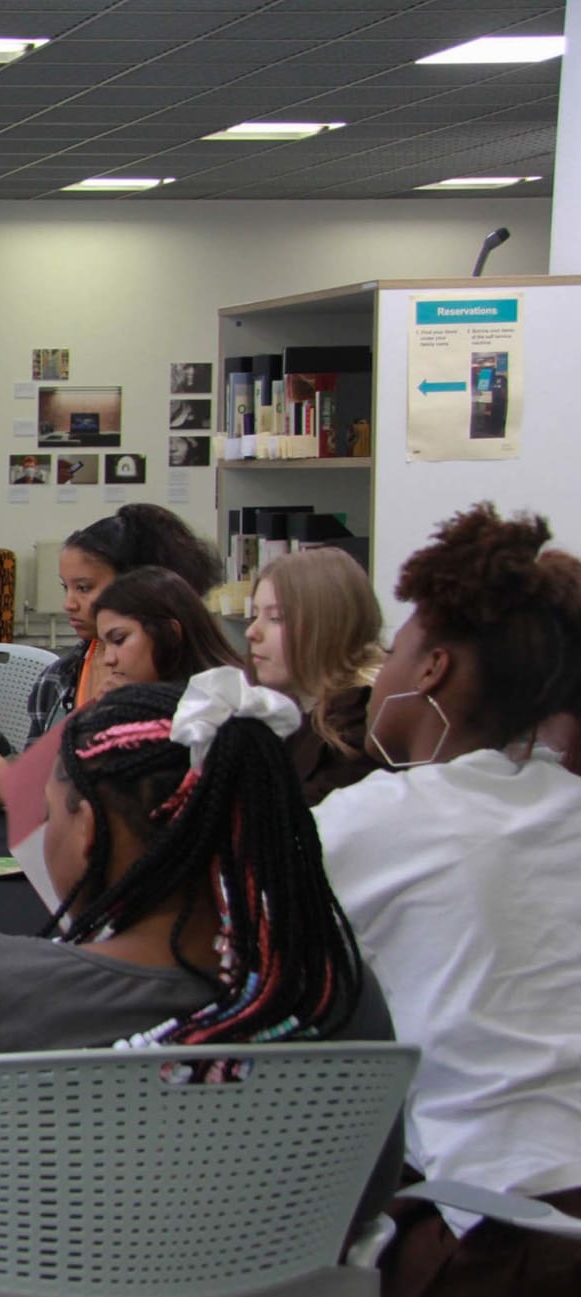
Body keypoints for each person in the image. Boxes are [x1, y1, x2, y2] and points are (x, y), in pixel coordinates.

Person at [0, 673, 397, 1295]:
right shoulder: (336, 985)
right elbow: (365, 1196)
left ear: (90, 830)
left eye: (49, 812)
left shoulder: (1, 989)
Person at [312, 505, 581, 1297]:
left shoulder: (378, 817)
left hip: (503, 1232)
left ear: (431, 670)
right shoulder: (566, 803)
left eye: (395, 650)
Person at [0, 504, 222, 802]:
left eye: (84, 588)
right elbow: (44, 773)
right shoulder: (59, 677)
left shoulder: (191, 700)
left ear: (140, 586)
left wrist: (16, 789)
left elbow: (139, 807)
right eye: (66, 588)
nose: (69, 604)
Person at [247, 548, 385, 802]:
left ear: (329, 623)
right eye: (255, 615)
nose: (252, 632)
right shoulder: (301, 715)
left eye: (276, 618)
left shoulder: (358, 727)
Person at [88, 565, 245, 692]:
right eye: (104, 645)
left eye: (119, 640)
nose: (108, 659)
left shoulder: (231, 702)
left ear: (170, 633)